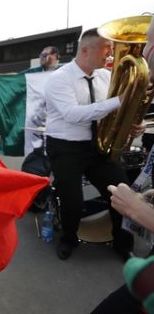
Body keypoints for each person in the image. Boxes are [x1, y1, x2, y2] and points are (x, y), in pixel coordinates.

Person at [44, 28, 145, 261]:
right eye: (106, 48)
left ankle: (123, 243)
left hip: (96, 146)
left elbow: (110, 113)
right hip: (65, 147)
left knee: (122, 191)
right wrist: (118, 100)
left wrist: (131, 123)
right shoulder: (58, 79)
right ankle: (69, 238)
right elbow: (72, 114)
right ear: (86, 50)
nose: (110, 54)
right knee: (72, 200)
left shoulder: (105, 76)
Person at [92, 16, 154, 314]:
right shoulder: (61, 79)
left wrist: (139, 211)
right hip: (71, 148)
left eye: (150, 44)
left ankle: (121, 241)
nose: (144, 55)